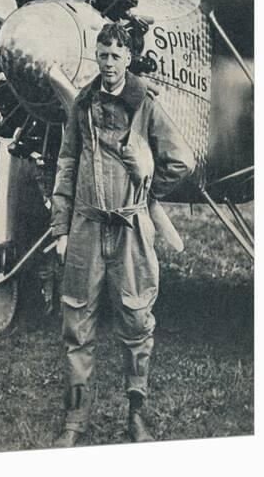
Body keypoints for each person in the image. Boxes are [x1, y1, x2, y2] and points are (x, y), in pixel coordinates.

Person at [51, 23, 195, 447]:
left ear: (128, 58)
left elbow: (180, 161)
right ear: (97, 56)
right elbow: (67, 164)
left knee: (136, 322)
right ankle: (74, 422)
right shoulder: (82, 104)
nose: (109, 64)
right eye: (103, 55)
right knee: (76, 325)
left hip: (131, 230)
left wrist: (147, 195)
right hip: (85, 229)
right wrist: (62, 228)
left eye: (116, 56)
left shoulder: (145, 104)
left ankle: (136, 417)